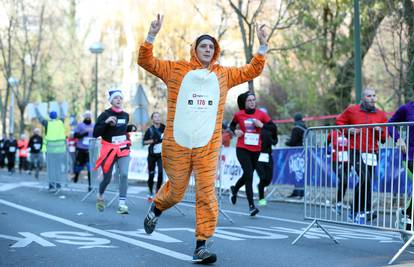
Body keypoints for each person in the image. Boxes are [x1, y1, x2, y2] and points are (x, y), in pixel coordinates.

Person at [138, 14, 268, 264]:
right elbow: (145, 60)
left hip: (207, 146)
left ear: (215, 51)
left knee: (206, 194)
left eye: (211, 46)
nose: (207, 50)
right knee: (176, 192)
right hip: (177, 143)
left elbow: (253, 69)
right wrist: (151, 34)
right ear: (195, 50)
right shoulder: (176, 69)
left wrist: (262, 46)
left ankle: (201, 245)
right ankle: (156, 209)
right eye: (203, 46)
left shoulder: (223, 74)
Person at [336, 88, 387, 224]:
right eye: (369, 96)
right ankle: (365, 211)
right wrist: (348, 130)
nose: (372, 98)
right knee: (365, 179)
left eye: (374, 96)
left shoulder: (381, 115)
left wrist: (379, 131)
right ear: (363, 98)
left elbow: (383, 138)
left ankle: (354, 209)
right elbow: (339, 121)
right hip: (355, 150)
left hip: (372, 152)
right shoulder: (352, 110)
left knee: (366, 182)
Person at [228, 92, 272, 215]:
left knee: (248, 174)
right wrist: (235, 131)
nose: (252, 102)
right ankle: (251, 206)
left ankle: (235, 189)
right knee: (249, 175)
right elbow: (231, 126)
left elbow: (272, 128)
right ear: (244, 103)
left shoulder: (261, 114)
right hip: (242, 148)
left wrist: (262, 125)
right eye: (249, 100)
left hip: (256, 149)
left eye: (253, 100)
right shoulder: (239, 114)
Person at [93, 88, 131, 215]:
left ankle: (122, 204)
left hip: (122, 149)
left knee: (124, 174)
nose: (119, 100)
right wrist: (106, 122)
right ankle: (100, 193)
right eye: (116, 98)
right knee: (107, 177)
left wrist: (130, 128)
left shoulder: (126, 115)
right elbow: (95, 133)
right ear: (111, 101)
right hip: (108, 149)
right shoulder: (105, 115)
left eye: (120, 98)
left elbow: (123, 130)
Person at [387, 95, 414, 241]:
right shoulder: (407, 108)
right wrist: (398, 139)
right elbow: (390, 123)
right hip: (410, 156)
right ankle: (408, 224)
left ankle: (405, 214)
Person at [35, 107, 66, 191]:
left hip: (50, 150)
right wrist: (60, 106)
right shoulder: (61, 122)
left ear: (50, 117)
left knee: (51, 168)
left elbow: (40, 117)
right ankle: (58, 184)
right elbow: (63, 115)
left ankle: (51, 185)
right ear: (56, 116)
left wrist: (36, 108)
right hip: (60, 149)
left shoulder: (47, 123)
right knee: (58, 168)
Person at [256, 108, 278, 206]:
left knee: (268, 179)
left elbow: (275, 141)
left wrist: (270, 139)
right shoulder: (255, 127)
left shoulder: (271, 128)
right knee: (262, 177)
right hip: (257, 155)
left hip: (268, 155)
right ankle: (261, 198)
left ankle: (260, 187)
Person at [143, 112, 166, 202]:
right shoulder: (150, 130)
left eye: (159, 116)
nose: (157, 118)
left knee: (160, 172)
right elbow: (144, 142)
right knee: (151, 175)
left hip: (161, 155)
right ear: (152, 119)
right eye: (155, 117)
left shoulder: (165, 128)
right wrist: (154, 140)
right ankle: (150, 192)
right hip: (152, 155)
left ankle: (157, 192)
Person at [285, 113, 307, 198]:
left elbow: (293, 141)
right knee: (302, 172)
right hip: (304, 153)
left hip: (296, 153)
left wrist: (287, 142)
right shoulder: (305, 128)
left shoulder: (296, 128)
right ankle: (300, 191)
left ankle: (297, 192)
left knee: (296, 171)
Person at [73, 111, 94, 191]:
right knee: (79, 166)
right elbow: (75, 135)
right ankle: (76, 177)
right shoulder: (80, 125)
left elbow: (96, 134)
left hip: (90, 150)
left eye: (89, 116)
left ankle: (90, 185)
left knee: (89, 167)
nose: (88, 117)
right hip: (81, 149)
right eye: (86, 116)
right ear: (84, 117)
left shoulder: (94, 125)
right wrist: (82, 135)